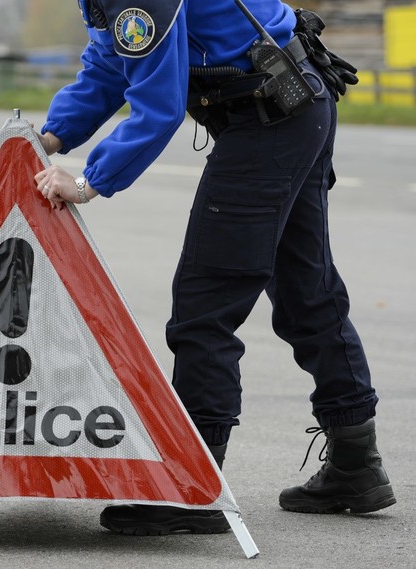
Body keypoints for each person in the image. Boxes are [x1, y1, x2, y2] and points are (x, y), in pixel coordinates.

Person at [33, 0, 395, 535]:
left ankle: (195, 489)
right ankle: (355, 465)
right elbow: (112, 62)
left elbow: (157, 106)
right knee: (305, 292)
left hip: (269, 119)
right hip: (296, 103)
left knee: (205, 307)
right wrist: (50, 138)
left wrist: (87, 182)